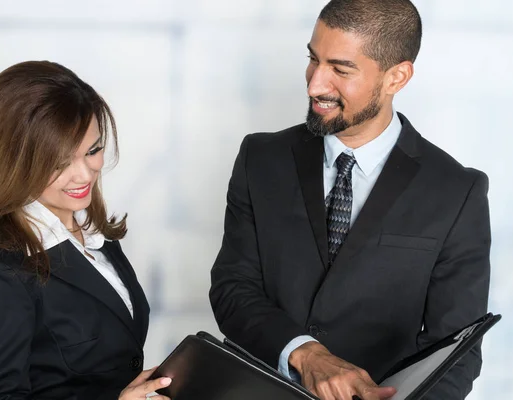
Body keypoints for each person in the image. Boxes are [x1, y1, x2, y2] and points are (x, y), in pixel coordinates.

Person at [209, 0, 491, 399]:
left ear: (397, 77)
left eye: (340, 70)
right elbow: (232, 289)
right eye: (313, 59)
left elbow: (456, 350)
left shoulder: (456, 192)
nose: (314, 85)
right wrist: (305, 354)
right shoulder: (260, 158)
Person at [0, 61, 172, 399]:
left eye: (93, 151)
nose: (84, 175)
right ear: (13, 161)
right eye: (59, 163)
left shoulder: (96, 237)